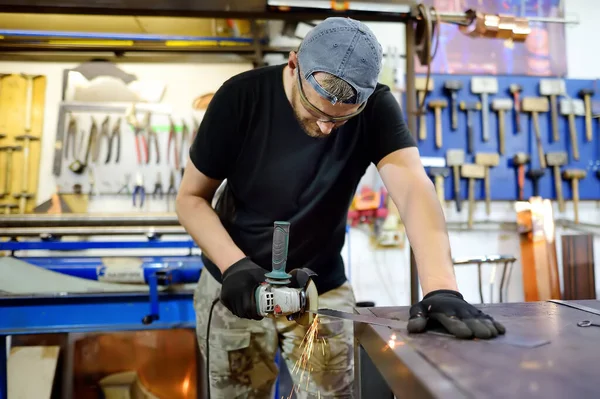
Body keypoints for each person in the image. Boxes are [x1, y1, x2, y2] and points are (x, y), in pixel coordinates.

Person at [176, 17, 505, 399]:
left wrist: (442, 288)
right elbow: (190, 199)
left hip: (320, 287)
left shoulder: (377, 108)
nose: (327, 129)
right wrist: (233, 265)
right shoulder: (240, 98)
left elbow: (414, 187)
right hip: (233, 285)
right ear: (293, 63)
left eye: (341, 118)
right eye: (316, 112)